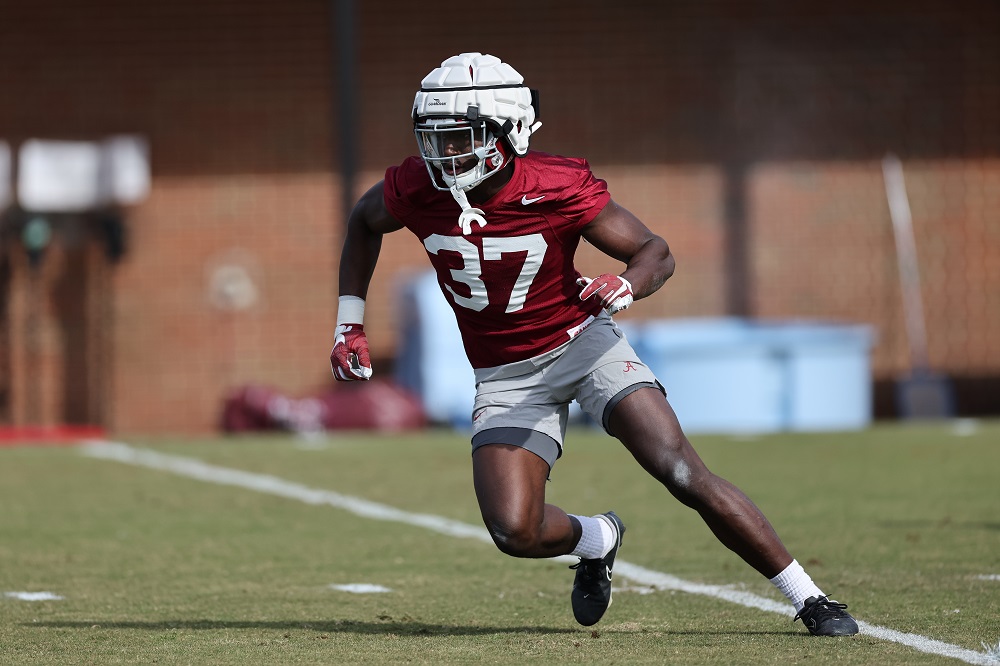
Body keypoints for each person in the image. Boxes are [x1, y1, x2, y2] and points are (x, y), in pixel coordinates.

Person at [330, 52, 859, 637]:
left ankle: (809, 597)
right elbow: (362, 220)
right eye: (436, 139)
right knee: (514, 531)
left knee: (680, 469)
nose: (445, 155)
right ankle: (598, 538)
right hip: (504, 375)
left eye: (463, 139)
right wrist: (349, 323)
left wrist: (626, 284)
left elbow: (656, 250)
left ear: (508, 133)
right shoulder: (415, 186)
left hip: (584, 345)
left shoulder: (555, 184)